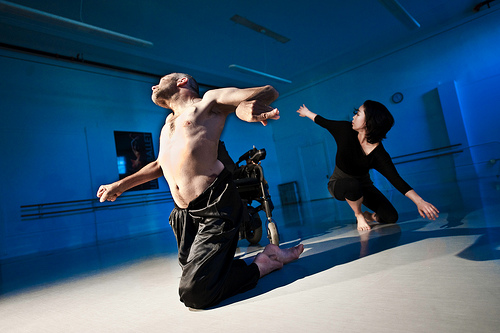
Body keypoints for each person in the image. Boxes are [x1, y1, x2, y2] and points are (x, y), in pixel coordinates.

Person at [97, 73, 303, 309]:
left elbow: (269, 90)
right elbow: (159, 165)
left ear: (182, 81)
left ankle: (263, 264)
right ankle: (267, 255)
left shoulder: (208, 102)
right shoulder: (168, 125)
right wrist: (120, 185)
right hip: (184, 213)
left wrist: (241, 108)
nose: (153, 86)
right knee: (198, 270)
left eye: (161, 80)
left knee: (194, 292)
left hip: (215, 205)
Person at [296, 101, 439, 231]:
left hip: (364, 186)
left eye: (358, 114)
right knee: (352, 185)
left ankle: (369, 216)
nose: (353, 117)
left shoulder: (379, 154)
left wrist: (420, 202)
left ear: (368, 122)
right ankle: (359, 215)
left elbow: (395, 179)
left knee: (391, 217)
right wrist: (306, 112)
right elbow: (323, 121)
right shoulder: (344, 130)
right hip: (338, 184)